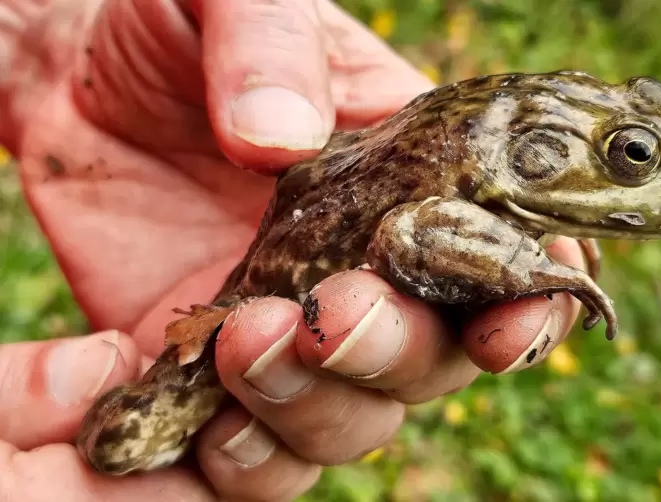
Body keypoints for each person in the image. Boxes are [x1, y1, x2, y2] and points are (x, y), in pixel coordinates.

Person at [0, 1, 586, 500]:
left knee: (271, 392)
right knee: (118, 442)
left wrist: (51, 27)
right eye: (633, 154)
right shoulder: (474, 177)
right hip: (256, 293)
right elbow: (410, 237)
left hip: (280, 267)